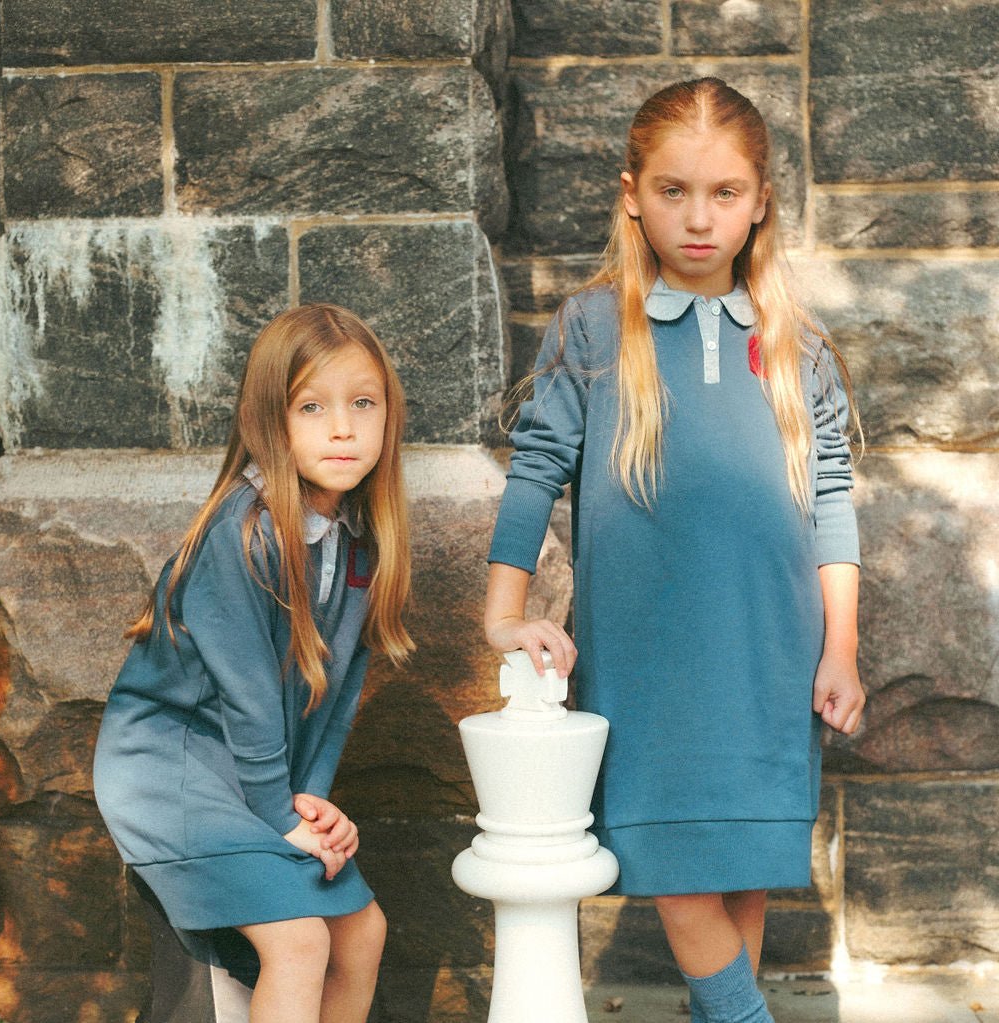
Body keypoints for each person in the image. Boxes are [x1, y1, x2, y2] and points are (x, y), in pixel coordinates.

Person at [484, 78, 864, 1023]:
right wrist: (502, 609)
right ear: (631, 193)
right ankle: (743, 1016)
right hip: (649, 657)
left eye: (725, 193)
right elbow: (535, 472)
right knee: (673, 859)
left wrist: (842, 648)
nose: (699, 218)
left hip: (772, 649)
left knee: (745, 868)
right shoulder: (589, 330)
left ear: (761, 202)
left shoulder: (797, 347)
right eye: (673, 191)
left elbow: (830, 502)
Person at [94, 303, 414, 1023]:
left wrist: (313, 806)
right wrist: (277, 813)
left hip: (252, 776)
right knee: (299, 940)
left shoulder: (359, 545)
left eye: (364, 404)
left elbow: (335, 697)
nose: (343, 427)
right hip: (169, 770)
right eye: (312, 406)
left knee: (362, 931)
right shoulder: (241, 535)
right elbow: (245, 691)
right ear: (266, 420)